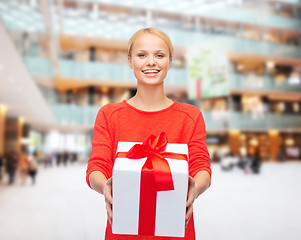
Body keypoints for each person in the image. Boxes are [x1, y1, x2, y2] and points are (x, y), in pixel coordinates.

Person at [86, 28, 212, 240]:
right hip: (123, 232)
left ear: (170, 62)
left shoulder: (190, 116)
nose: (151, 62)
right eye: (142, 55)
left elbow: (202, 166)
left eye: (159, 55)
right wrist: (105, 187)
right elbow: (97, 166)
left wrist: (195, 189)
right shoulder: (109, 115)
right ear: (130, 61)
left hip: (176, 231)